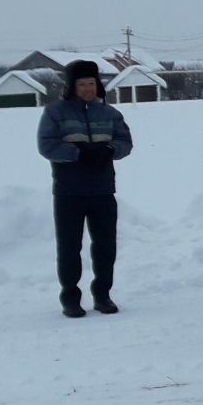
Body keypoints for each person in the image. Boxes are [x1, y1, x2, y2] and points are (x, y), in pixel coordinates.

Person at [36, 58, 132, 317]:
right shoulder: (55, 113)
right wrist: (78, 153)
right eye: (82, 84)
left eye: (91, 83)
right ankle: (70, 299)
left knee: (105, 246)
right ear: (72, 87)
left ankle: (103, 296)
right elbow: (47, 145)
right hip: (69, 192)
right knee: (69, 248)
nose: (88, 88)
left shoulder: (110, 114)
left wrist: (110, 150)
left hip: (102, 191)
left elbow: (125, 141)